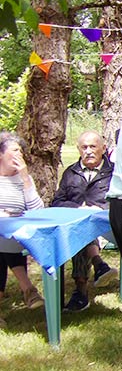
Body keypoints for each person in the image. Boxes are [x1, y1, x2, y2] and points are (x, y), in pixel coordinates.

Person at [51, 130, 118, 312]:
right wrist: (78, 209)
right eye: (84, 147)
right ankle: (99, 264)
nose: (88, 151)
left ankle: (80, 293)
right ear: (78, 149)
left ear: (103, 148)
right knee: (81, 228)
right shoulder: (71, 173)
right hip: (78, 227)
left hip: (107, 227)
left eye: (93, 146)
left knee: (82, 229)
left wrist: (101, 209)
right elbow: (57, 201)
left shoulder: (114, 172)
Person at [0, 132, 45, 309]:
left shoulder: (24, 179)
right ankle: (28, 289)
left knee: (5, 240)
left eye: (21, 151)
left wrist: (25, 177)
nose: (19, 155)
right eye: (14, 150)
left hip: (17, 236)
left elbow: (37, 211)